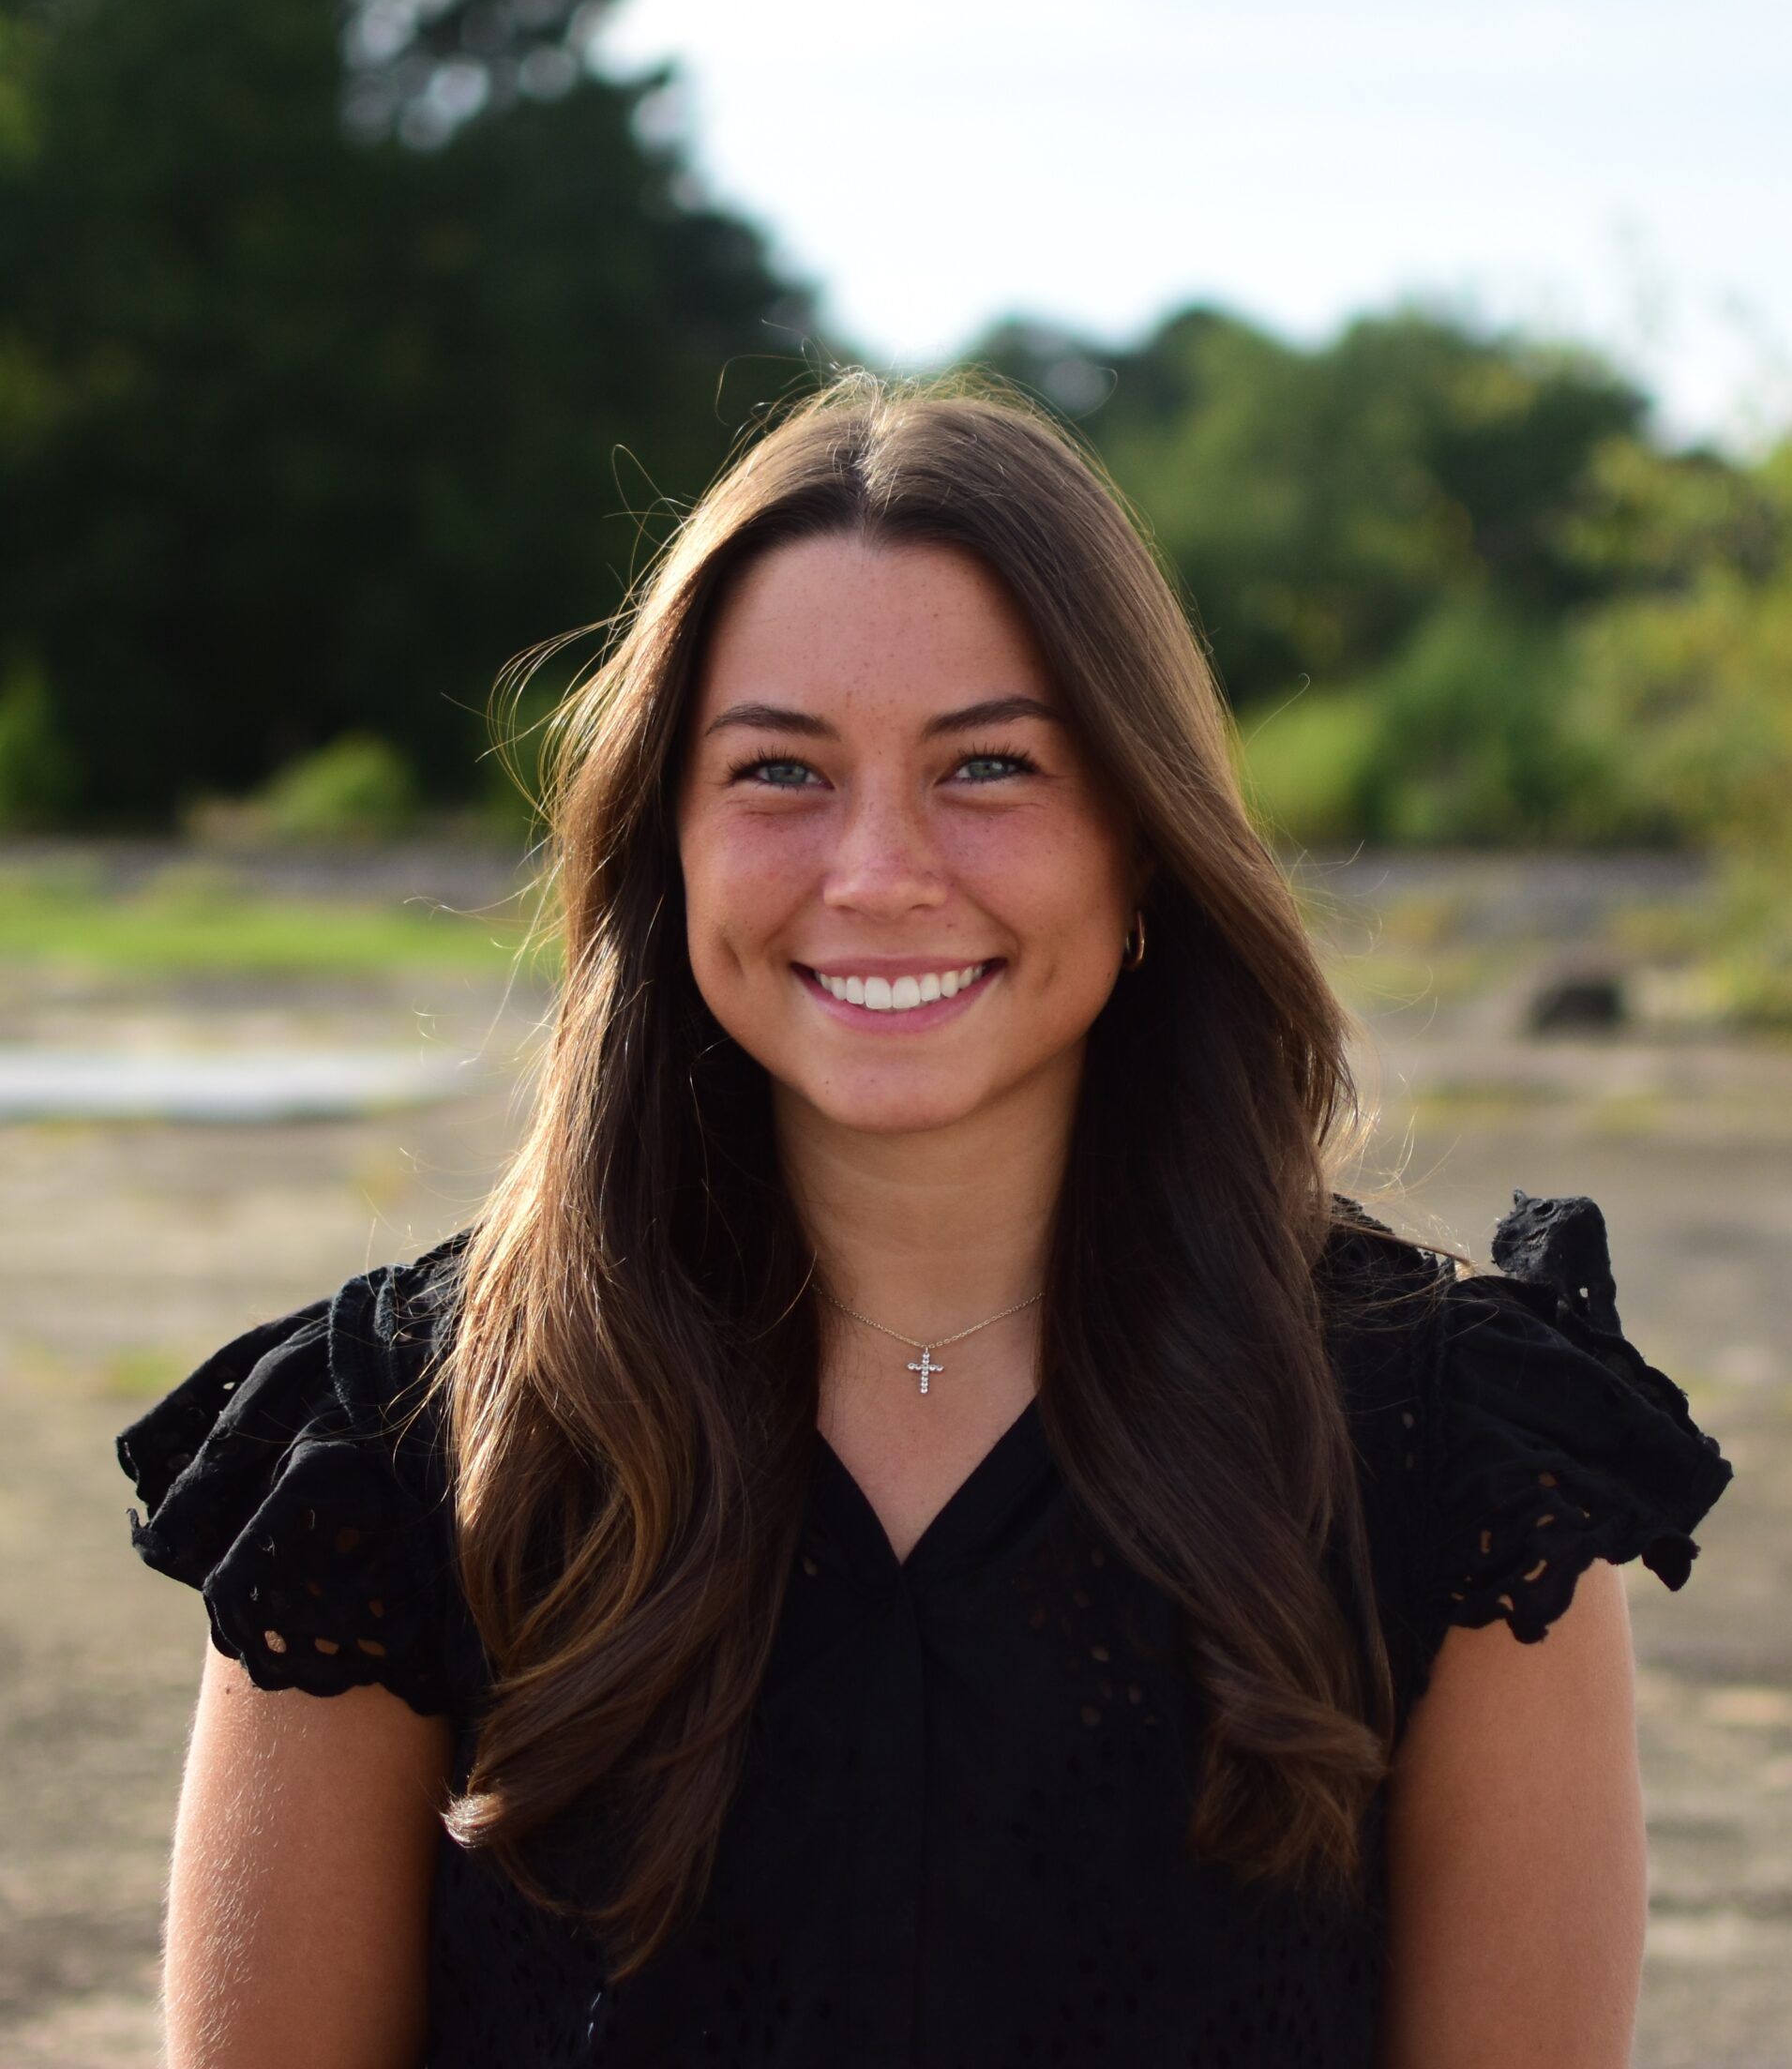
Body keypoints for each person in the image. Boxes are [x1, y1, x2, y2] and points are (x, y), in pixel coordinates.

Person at [117, 367, 1732, 2069]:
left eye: (988, 766)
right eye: (778, 774)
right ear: (665, 839)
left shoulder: (1457, 1444)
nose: (879, 869)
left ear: (1145, 833)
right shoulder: (389, 1441)